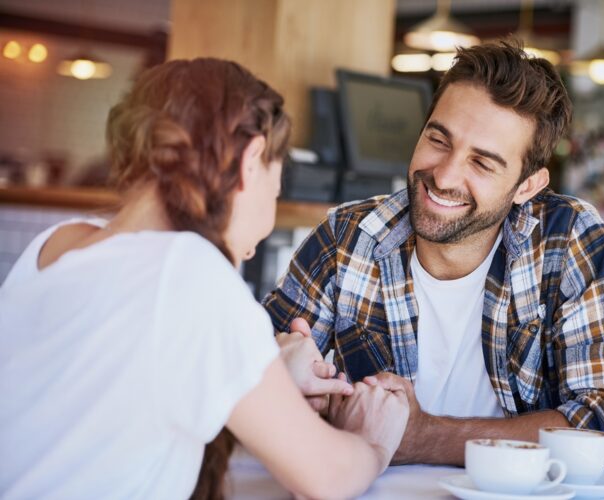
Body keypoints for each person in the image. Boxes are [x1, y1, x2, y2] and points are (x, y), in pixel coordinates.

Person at [0, 58, 409, 499]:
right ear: (251, 159)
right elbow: (326, 478)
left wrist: (269, 372)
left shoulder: (56, 245)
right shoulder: (188, 270)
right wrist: (375, 438)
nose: (255, 241)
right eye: (274, 192)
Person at [264, 40, 604, 480]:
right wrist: (285, 379)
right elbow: (241, 390)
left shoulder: (567, 240)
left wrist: (422, 435)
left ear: (527, 186)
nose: (446, 175)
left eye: (483, 163)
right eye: (439, 139)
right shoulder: (347, 237)